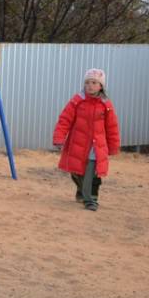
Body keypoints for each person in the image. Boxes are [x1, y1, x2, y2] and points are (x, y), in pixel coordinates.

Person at [52, 68, 121, 211]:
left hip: (96, 146)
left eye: (94, 82)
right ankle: (81, 191)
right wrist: (59, 138)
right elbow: (65, 119)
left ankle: (90, 200)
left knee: (91, 171)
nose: (90, 85)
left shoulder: (106, 104)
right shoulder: (77, 101)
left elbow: (112, 127)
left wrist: (113, 147)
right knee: (76, 171)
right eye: (88, 82)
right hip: (77, 143)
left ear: (101, 86)